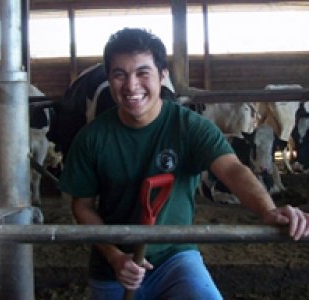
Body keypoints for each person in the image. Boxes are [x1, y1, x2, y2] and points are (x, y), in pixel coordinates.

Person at [59, 28, 309, 299]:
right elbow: (82, 206)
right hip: (113, 268)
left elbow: (233, 170)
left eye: (143, 73)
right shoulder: (91, 138)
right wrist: (115, 257)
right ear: (109, 78)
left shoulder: (190, 127)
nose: (131, 86)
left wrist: (267, 210)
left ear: (162, 75)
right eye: (120, 74)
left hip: (175, 258)